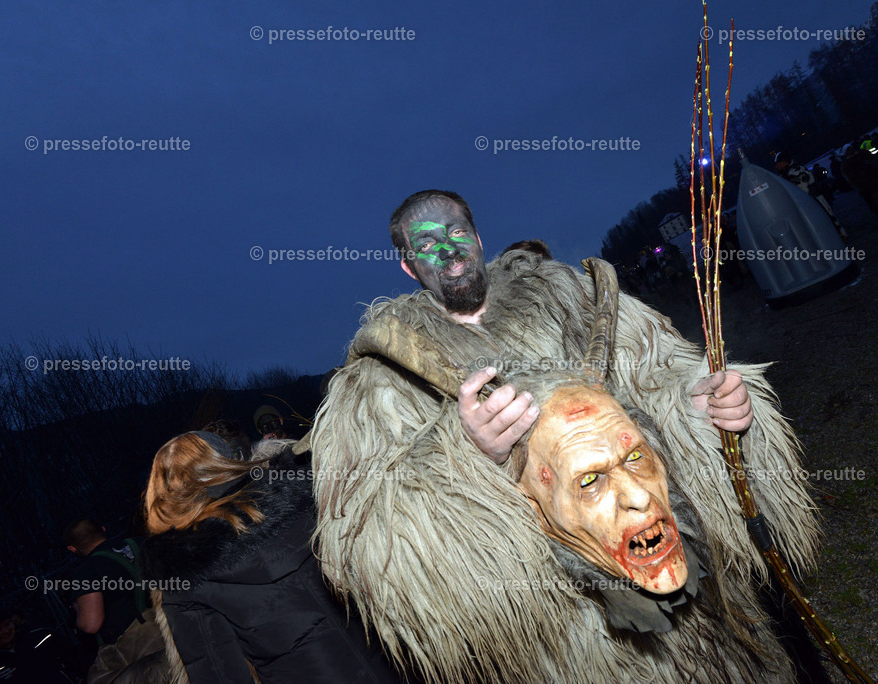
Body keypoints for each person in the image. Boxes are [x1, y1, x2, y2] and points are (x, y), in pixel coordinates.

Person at [309, 190, 821, 681]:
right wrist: (467, 457)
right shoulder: (381, 379)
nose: (447, 251)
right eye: (425, 245)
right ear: (407, 266)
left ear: (478, 238)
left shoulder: (572, 297)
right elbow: (368, 535)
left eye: (456, 231)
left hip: (686, 566)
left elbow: (658, 370)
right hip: (583, 636)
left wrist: (702, 403)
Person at [140, 431, 402, 683]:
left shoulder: (184, 579)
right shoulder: (306, 496)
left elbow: (218, 674)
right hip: (393, 662)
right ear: (225, 461)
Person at [63, 519, 145, 648]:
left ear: (72, 548)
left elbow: (91, 624)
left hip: (141, 648)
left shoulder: (86, 571)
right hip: (175, 626)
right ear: (103, 529)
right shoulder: (140, 542)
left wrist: (78, 611)